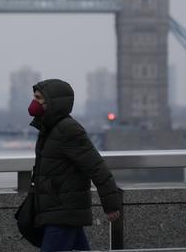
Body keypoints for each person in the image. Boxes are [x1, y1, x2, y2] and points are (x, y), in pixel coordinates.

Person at [28, 79, 121, 252]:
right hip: (59, 210)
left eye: (39, 98)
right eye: (34, 97)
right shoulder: (49, 128)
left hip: (62, 212)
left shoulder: (67, 129)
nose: (34, 103)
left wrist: (111, 205)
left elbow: (97, 167)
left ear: (52, 101)